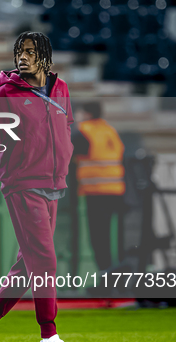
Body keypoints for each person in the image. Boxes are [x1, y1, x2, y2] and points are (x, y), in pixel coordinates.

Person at [0, 32, 78, 342]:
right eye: (18, 52)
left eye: (29, 52)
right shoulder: (5, 95)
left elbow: (65, 130)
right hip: (22, 185)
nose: (22, 57)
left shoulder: (62, 89)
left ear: (45, 56)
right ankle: (49, 338)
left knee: (30, 265)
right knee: (45, 260)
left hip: (53, 186)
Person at [71, 101, 126, 272]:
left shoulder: (84, 131)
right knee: (114, 236)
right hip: (116, 190)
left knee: (98, 236)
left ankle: (106, 273)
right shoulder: (109, 130)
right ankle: (116, 271)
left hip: (96, 192)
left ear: (87, 114)